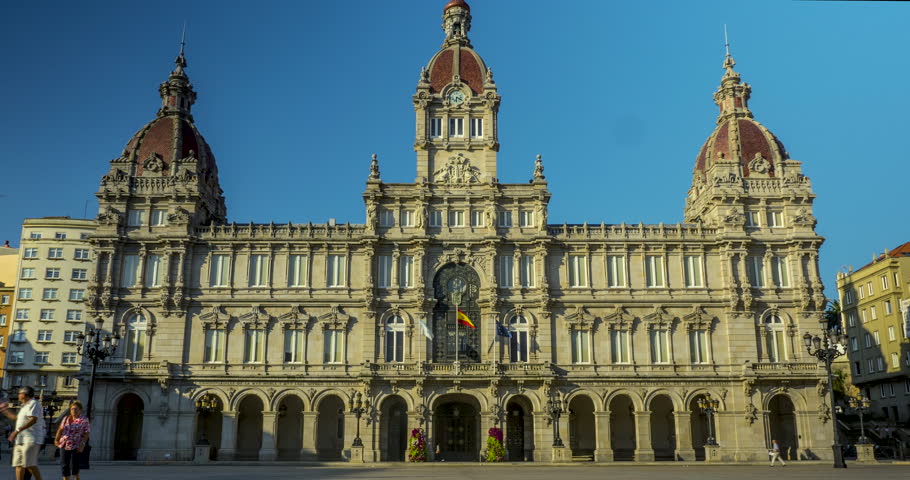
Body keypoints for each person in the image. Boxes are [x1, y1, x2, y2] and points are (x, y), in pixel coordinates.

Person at [0, 387, 45, 480]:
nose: (18, 395)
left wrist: (17, 431)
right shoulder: (24, 406)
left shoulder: (34, 403)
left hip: (31, 439)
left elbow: (33, 419)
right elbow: (17, 419)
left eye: (19, 393)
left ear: (25, 394)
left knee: (29, 463)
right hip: (20, 439)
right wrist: (5, 411)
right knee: (18, 464)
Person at [55, 401, 90, 480]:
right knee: (64, 465)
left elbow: (86, 433)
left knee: (75, 465)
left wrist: (82, 445)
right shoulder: (66, 418)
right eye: (72, 409)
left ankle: (76, 477)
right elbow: (60, 429)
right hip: (64, 443)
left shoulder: (84, 420)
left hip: (76, 445)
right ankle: (65, 478)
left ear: (80, 410)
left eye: (76, 409)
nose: (74, 410)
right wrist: (56, 440)